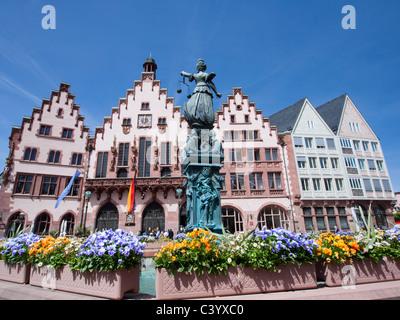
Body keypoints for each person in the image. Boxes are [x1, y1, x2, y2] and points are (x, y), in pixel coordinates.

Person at [181, 59, 221, 129]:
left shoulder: (203, 75)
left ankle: (203, 118)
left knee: (203, 104)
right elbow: (186, 74)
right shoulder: (197, 75)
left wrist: (216, 92)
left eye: (200, 65)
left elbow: (211, 84)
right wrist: (183, 73)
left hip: (203, 90)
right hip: (199, 90)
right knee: (196, 103)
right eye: (199, 65)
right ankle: (198, 117)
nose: (199, 67)